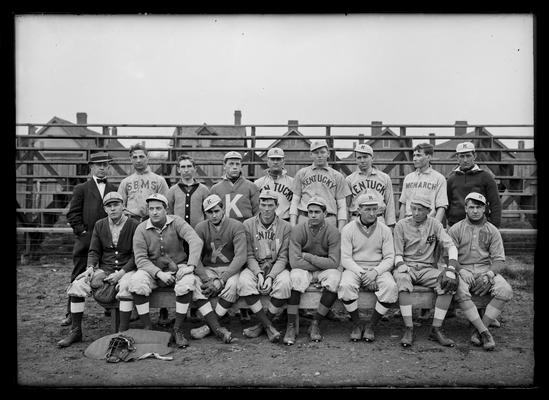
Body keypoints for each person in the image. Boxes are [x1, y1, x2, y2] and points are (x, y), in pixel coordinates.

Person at [57, 192, 140, 347]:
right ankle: (76, 331)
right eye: (109, 206)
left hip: (127, 269)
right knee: (78, 285)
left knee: (125, 287)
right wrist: (90, 268)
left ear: (123, 206)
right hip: (105, 268)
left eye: (116, 205)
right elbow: (94, 251)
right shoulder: (99, 224)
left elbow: (137, 255)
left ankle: (122, 333)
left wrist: (121, 273)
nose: (113, 209)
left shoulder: (134, 225)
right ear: (105, 209)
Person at [128, 193, 204, 348]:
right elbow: (141, 259)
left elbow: (195, 240)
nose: (155, 212)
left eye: (158, 208)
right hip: (152, 268)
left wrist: (191, 266)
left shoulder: (176, 222)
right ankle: (148, 327)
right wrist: (158, 273)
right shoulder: (141, 228)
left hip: (178, 265)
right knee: (136, 281)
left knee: (189, 281)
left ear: (166, 209)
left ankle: (177, 329)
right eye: (151, 209)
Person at [393, 196, 460, 348]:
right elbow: (397, 253)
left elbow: (451, 246)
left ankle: (436, 329)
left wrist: (450, 269)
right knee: (402, 280)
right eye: (413, 208)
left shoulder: (435, 224)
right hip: (407, 266)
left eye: (420, 210)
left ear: (428, 211)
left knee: (447, 282)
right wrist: (401, 264)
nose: (416, 213)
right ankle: (409, 328)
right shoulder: (401, 225)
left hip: (427, 268)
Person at [449, 192, 512, 351]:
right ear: (465, 208)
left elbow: (499, 259)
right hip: (463, 271)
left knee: (505, 290)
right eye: (472, 207)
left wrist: (490, 274)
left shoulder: (492, 230)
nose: (475, 211)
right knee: (459, 290)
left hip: (485, 270)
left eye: (479, 207)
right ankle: (485, 333)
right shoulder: (456, 229)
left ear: (484, 209)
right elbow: (447, 257)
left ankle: (479, 329)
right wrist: (461, 270)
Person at [118, 143, 171, 325]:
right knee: (136, 260)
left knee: (160, 257)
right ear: (131, 159)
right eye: (135, 157)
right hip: (133, 222)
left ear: (148, 158)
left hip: (154, 222)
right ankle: (133, 304)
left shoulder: (158, 179)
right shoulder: (126, 182)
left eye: (142, 157)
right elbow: (120, 204)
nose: (138, 160)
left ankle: (164, 309)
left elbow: (166, 203)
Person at [63, 152, 117, 326]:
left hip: (109, 241)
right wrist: (83, 234)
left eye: (105, 164)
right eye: (98, 164)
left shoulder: (114, 188)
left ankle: (109, 306)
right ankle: (71, 313)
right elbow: (73, 214)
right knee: (79, 274)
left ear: (109, 167)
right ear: (91, 167)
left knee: (109, 273)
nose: (102, 167)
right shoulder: (82, 188)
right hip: (86, 241)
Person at [188, 194, 248, 343]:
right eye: (209, 212)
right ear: (205, 213)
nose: (214, 215)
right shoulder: (201, 227)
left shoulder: (236, 226)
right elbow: (195, 256)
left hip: (230, 269)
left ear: (223, 209)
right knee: (195, 283)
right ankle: (217, 328)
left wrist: (222, 280)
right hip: (210, 269)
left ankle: (210, 326)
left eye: (216, 211)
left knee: (234, 284)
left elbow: (240, 257)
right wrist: (206, 279)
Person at [338, 194, 397, 342]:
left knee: (390, 287)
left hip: (378, 268)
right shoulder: (348, 229)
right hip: (355, 268)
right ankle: (357, 324)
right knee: (345, 286)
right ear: (359, 210)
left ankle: (371, 325)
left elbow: (390, 257)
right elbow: (345, 258)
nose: (372, 213)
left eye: (374, 209)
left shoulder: (384, 229)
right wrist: (364, 274)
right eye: (367, 209)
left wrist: (375, 272)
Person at [284, 196, 342, 345]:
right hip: (305, 268)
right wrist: (323, 263)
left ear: (325, 214)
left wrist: (309, 256)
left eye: (317, 212)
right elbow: (294, 261)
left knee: (335, 278)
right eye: (310, 212)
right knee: (295, 277)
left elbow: (334, 263)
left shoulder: (333, 231)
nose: (313, 215)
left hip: (318, 266)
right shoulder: (298, 229)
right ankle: (290, 325)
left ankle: (315, 323)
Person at [239, 190, 292, 342]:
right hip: (256, 264)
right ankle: (269, 326)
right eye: (263, 204)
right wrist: (259, 274)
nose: (267, 208)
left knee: (285, 283)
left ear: (277, 206)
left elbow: (283, 257)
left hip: (276, 265)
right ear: (259, 205)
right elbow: (248, 255)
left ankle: (262, 325)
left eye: (270, 205)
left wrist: (270, 276)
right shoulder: (248, 224)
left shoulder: (285, 226)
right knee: (243, 282)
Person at [289, 139, 351, 232]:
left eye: (322, 152)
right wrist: (293, 225)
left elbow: (341, 205)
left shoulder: (337, 176)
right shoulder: (302, 173)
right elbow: (295, 201)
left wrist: (340, 229)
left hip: (328, 218)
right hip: (306, 217)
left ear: (328, 154)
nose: (319, 155)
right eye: (316, 152)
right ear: (311, 154)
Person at [446, 142, 502, 228]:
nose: (465, 160)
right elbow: (446, 204)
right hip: (455, 227)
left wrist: (494, 227)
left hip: (480, 226)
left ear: (474, 156)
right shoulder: (451, 179)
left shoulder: (486, 177)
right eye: (462, 156)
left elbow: (495, 204)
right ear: (457, 157)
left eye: (468, 156)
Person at [346, 144, 396, 228]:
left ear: (372, 158)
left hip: (378, 218)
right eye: (359, 158)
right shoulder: (350, 179)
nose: (362, 160)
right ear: (355, 160)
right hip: (356, 218)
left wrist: (390, 225)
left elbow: (389, 203)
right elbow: (346, 206)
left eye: (365, 157)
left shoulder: (384, 178)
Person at [398, 143, 448, 223]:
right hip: (408, 222)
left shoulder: (439, 178)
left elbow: (441, 206)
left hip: (427, 222)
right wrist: (399, 226)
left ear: (428, 157)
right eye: (414, 155)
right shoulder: (408, 178)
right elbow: (404, 204)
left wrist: (434, 227)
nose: (414, 158)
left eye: (418, 155)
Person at [209, 151, 259, 223]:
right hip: (223, 228)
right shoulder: (215, 189)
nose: (235, 167)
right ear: (224, 166)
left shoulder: (251, 187)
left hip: (245, 228)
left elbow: (257, 212)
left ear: (241, 166)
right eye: (231, 164)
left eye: (237, 164)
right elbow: (211, 213)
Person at [166, 154, 210, 229]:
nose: (186, 170)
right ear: (178, 169)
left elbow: (208, 213)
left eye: (189, 166)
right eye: (183, 167)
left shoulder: (204, 190)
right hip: (178, 232)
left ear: (195, 168)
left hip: (198, 232)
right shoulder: (172, 190)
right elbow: (169, 212)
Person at [254, 147, 294, 222]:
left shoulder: (292, 182)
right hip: (264, 221)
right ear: (268, 162)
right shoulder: (258, 183)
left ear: (283, 161)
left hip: (285, 220)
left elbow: (295, 206)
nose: (275, 162)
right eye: (272, 159)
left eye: (278, 159)